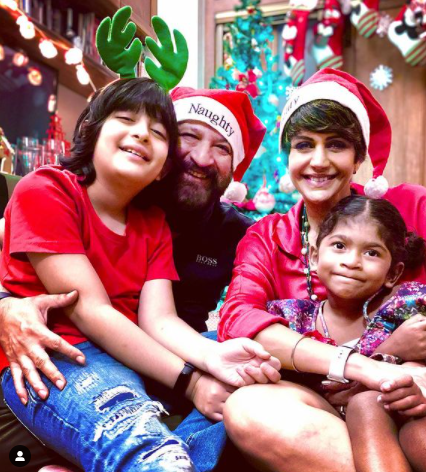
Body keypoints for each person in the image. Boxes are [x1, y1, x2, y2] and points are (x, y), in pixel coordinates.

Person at [0, 77, 280, 472]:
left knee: (247, 371)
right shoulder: (48, 189)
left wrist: (214, 356)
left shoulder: (154, 224)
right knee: (141, 443)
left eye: (157, 132)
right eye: (126, 119)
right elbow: (91, 311)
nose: (142, 134)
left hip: (138, 359)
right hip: (62, 356)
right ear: (92, 130)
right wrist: (192, 382)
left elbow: (159, 318)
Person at [218, 68, 426, 472]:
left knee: (412, 428)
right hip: (329, 410)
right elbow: (238, 319)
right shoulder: (267, 237)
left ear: (359, 158)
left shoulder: (412, 207)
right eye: (304, 145)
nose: (318, 161)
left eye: (336, 144)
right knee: (247, 409)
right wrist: (364, 367)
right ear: (289, 157)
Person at [268, 194, 426, 472]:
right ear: (314, 257)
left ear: (392, 274)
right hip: (358, 424)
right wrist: (390, 350)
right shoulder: (293, 319)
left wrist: (416, 368)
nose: (352, 261)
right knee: (367, 403)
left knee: (416, 431)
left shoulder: (404, 305)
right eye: (339, 246)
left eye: (372, 253)